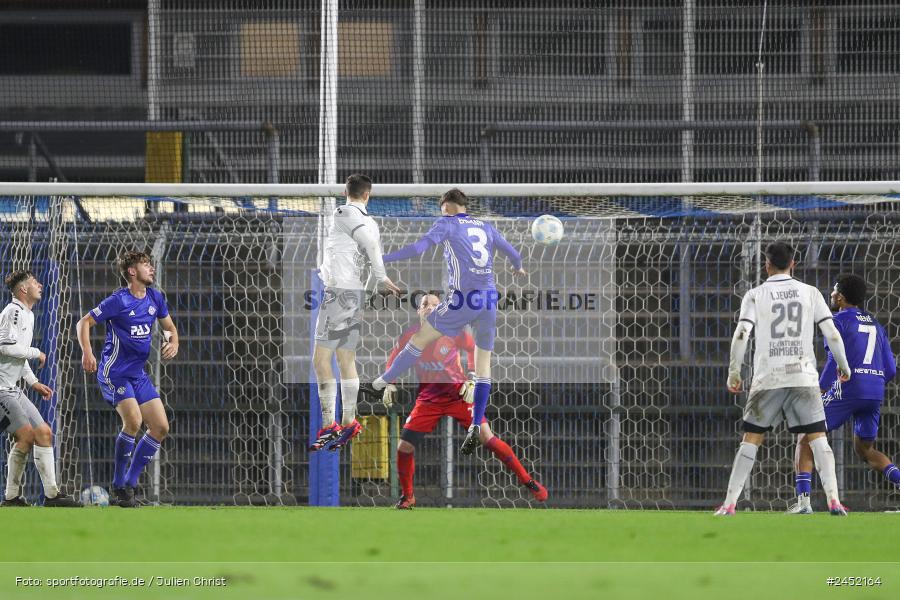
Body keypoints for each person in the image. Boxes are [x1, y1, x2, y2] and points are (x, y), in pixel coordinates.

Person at [369, 189, 526, 455]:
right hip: (489, 301)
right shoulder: (486, 227)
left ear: (449, 206)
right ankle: (476, 425)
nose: (441, 213)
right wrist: (518, 266)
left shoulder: (447, 223)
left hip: (462, 300)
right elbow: (513, 253)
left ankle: (381, 383)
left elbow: (418, 248)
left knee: (419, 338)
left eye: (442, 208)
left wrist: (382, 259)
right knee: (484, 368)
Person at [715, 242, 851, 516]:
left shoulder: (755, 295)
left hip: (769, 378)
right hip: (803, 376)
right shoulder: (810, 293)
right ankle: (834, 501)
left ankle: (729, 504)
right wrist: (843, 366)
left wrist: (734, 372)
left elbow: (741, 334)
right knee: (818, 438)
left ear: (766, 265)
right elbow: (832, 334)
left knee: (750, 439)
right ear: (793, 264)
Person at [383, 294, 547, 508]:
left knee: (487, 437)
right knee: (404, 447)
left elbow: (473, 348)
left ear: (441, 309)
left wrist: (471, 377)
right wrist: (390, 382)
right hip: (428, 400)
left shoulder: (454, 331)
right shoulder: (409, 335)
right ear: (419, 311)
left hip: (459, 395)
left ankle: (528, 481)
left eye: (435, 305)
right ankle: (408, 497)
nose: (430, 308)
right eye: (425, 304)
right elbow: (395, 358)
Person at [76, 251, 179, 508]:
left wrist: (173, 342)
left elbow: (169, 328)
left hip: (137, 374)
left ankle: (129, 486)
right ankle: (118, 485)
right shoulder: (118, 300)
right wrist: (87, 352)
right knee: (133, 420)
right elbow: (83, 323)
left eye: (150, 264)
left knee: (160, 427)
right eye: (146, 265)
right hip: (114, 372)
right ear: (132, 272)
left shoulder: (155, 298)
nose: (151, 268)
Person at [789, 274, 897, 514]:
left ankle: (804, 503)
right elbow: (890, 368)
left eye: (835, 290)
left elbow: (833, 358)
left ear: (841, 297)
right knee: (865, 450)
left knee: (806, 435)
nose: (831, 294)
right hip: (875, 390)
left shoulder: (836, 321)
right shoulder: (876, 325)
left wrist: (821, 387)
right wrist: (872, 382)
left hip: (849, 387)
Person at [309, 174, 401, 452]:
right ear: (368, 195)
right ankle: (349, 421)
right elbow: (372, 255)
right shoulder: (371, 222)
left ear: (344, 192)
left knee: (320, 361)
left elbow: (371, 249)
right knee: (345, 358)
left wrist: (381, 276)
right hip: (354, 294)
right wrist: (367, 294)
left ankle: (330, 423)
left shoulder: (343, 212)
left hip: (339, 293)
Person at [0, 270, 81, 507]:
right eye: (35, 282)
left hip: (12, 388)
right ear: (23, 289)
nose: (40, 285)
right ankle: (11, 497)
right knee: (25, 435)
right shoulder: (13, 312)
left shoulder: (28, 314)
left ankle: (52, 495)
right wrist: (38, 352)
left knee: (44, 432)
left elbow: (18, 355)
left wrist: (33, 382)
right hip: (1, 390)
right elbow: (5, 347)